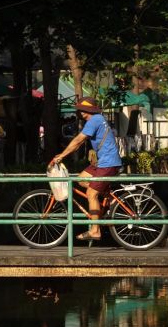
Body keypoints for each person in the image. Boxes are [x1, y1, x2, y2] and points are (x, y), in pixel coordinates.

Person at [51, 97, 122, 242]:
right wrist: (64, 154)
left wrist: (62, 156)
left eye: (83, 109)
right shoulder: (98, 119)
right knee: (81, 179)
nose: (81, 111)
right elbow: (78, 144)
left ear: (90, 110)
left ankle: (95, 230)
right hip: (102, 162)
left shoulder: (94, 120)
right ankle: (110, 200)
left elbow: (78, 140)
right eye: (80, 109)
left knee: (91, 194)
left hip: (108, 163)